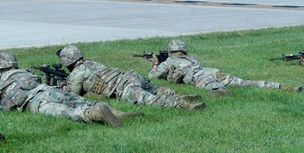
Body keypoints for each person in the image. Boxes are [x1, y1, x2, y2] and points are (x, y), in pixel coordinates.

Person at [0, 52, 130, 126]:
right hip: (49, 90)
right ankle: (118, 112)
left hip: (35, 102)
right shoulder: (26, 72)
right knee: (78, 100)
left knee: (66, 111)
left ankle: (96, 114)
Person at [57, 45, 205, 111]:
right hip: (131, 76)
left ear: (66, 61)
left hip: (123, 87)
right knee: (155, 90)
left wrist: (62, 86)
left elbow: (72, 94)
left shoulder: (77, 73)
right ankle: (178, 94)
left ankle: (184, 104)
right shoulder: (91, 63)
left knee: (149, 100)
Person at [149, 40, 301, 95]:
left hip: (197, 75)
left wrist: (155, 64)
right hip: (211, 70)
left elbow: (152, 77)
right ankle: (281, 87)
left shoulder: (168, 62)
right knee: (241, 82)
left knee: (213, 87)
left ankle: (222, 92)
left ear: (170, 51)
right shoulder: (191, 57)